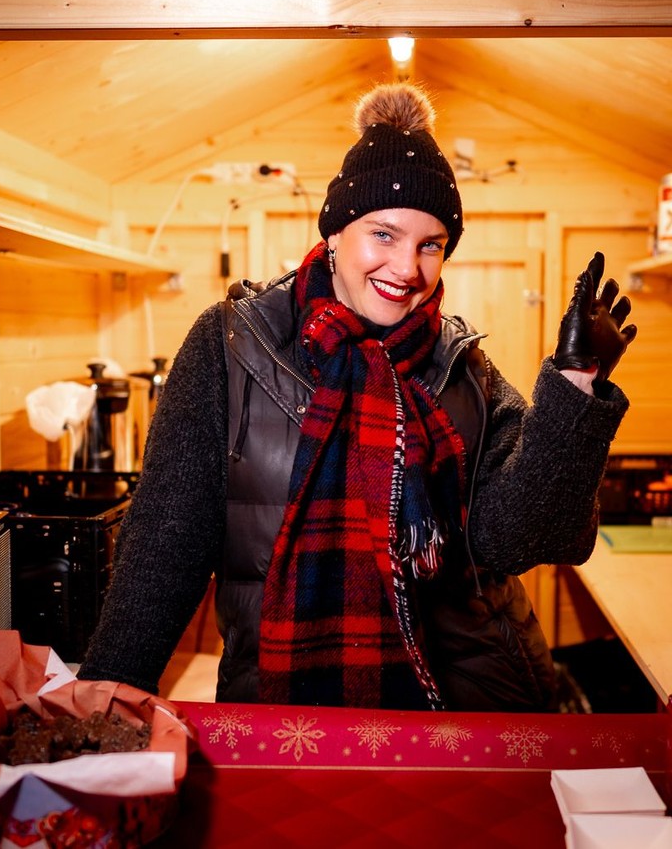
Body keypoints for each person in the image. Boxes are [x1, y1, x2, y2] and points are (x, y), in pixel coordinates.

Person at [78, 82, 637, 712]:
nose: (408, 268)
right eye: (385, 235)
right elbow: (165, 540)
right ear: (336, 230)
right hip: (286, 702)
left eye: (431, 245)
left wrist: (576, 385)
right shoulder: (232, 344)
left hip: (464, 704)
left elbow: (532, 538)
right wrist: (107, 698)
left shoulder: (461, 365)